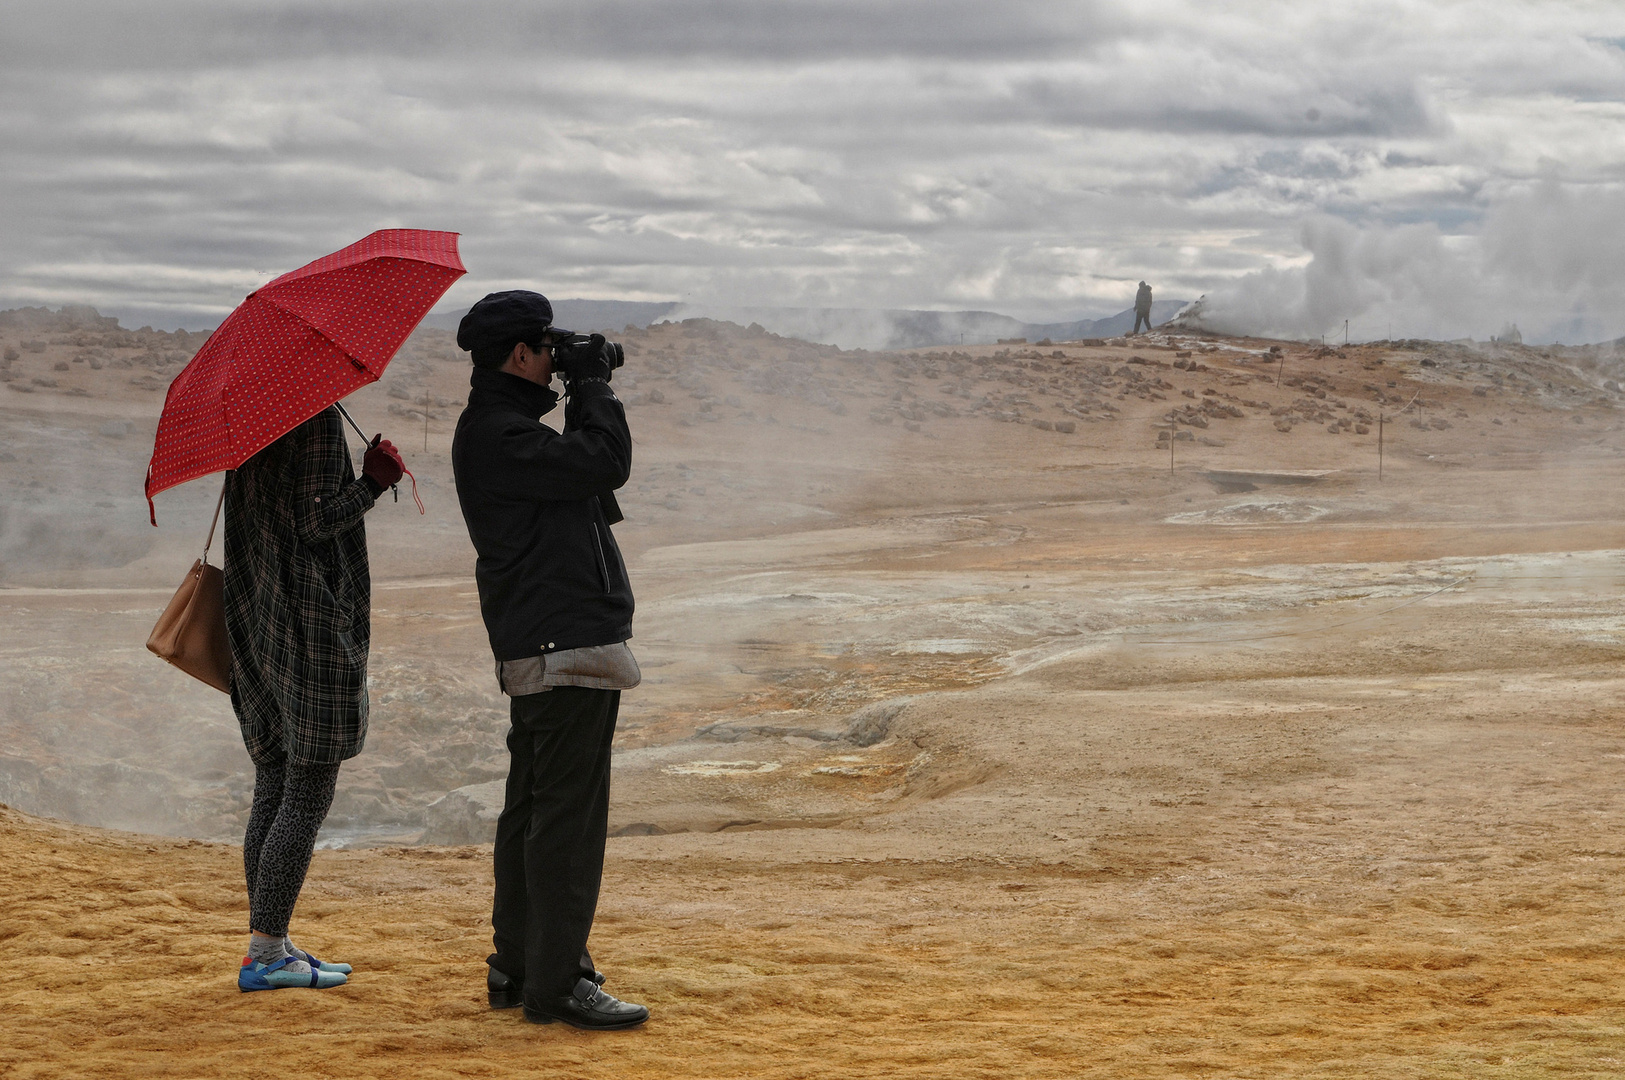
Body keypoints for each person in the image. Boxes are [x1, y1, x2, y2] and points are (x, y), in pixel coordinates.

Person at [451, 290, 648, 1030]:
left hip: (546, 642)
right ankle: (558, 983)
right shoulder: (501, 435)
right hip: (562, 645)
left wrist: (578, 393)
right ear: (523, 355)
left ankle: (519, 963)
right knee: (567, 820)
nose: (555, 359)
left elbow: (587, 477)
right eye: (547, 347)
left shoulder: (498, 429)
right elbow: (606, 461)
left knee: (533, 809)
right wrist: (593, 387)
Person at [224, 407, 404, 991]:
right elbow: (315, 520)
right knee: (306, 789)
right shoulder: (312, 415)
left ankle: (269, 942)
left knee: (273, 780)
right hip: (311, 626)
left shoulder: (245, 422)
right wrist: (373, 482)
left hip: (257, 619)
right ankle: (267, 954)